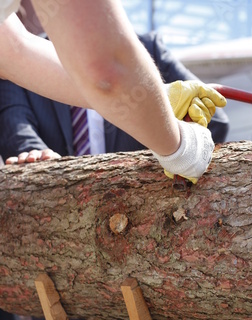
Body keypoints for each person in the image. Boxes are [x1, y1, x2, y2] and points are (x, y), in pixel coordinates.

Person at [0, 8, 229, 320]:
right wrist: (177, 144)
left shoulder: (148, 46)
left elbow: (216, 116)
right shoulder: (24, 44)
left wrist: (175, 114)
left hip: (142, 246)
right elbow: (30, 112)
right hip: (62, 247)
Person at [0, 1, 227, 188]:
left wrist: (158, 100)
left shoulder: (150, 46)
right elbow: (105, 68)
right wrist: (181, 149)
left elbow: (14, 49)